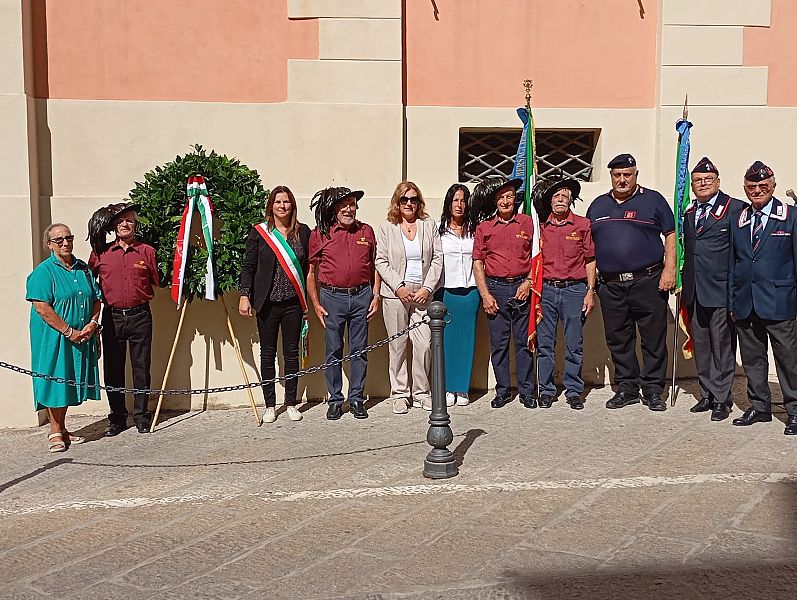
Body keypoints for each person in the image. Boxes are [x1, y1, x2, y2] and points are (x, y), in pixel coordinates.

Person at [587, 153, 676, 411]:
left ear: (636, 175)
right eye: (617, 175)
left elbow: (671, 235)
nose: (622, 179)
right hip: (611, 285)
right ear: (611, 176)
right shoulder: (598, 206)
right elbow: (589, 247)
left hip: (648, 281)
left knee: (653, 338)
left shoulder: (654, 200)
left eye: (627, 174)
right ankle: (627, 387)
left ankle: (653, 389)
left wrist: (669, 270)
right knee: (618, 339)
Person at [728, 161, 797, 436]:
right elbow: (733, 263)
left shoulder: (790, 216)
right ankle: (759, 406)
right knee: (753, 359)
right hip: (746, 301)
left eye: (763, 185)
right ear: (745, 188)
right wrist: (732, 300)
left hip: (780, 301)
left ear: (773, 186)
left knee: (788, 360)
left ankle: (795, 410)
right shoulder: (739, 219)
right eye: (752, 186)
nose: (757, 190)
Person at [307, 187, 381, 421]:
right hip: (332, 298)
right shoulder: (321, 234)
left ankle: (357, 399)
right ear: (334, 209)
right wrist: (316, 303)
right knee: (333, 351)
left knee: (359, 351)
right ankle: (336, 400)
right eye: (344, 205)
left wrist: (376, 295)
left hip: (362, 296)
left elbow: (375, 266)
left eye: (352, 204)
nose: (349, 209)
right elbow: (311, 272)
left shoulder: (366, 231)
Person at [26, 224, 102, 452]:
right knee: (54, 381)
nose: (65, 243)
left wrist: (93, 323)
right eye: (59, 240)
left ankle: (62, 428)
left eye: (68, 238)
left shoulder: (83, 269)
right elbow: (42, 307)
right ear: (49, 245)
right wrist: (69, 331)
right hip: (54, 337)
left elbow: (96, 298)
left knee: (68, 380)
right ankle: (54, 431)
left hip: (81, 336)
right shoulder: (44, 272)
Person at [239, 186, 311, 424]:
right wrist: (245, 295)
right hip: (267, 303)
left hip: (293, 302)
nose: (282, 206)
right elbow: (249, 266)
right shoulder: (259, 232)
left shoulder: (303, 232)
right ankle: (270, 404)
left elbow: (309, 267)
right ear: (271, 206)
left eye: (286, 202)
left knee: (291, 354)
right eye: (278, 202)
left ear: (292, 205)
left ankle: (291, 403)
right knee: (268, 354)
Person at [682, 157, 745, 421]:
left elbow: (741, 251)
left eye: (708, 179)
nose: (703, 184)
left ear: (718, 182)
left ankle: (722, 399)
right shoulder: (690, 212)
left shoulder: (735, 208)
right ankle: (707, 394)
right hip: (695, 289)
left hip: (721, 290)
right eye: (697, 180)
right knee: (702, 345)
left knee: (722, 347)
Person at [88, 202, 159, 435]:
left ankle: (141, 416)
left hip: (141, 315)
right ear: (113, 226)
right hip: (112, 317)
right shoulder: (101, 253)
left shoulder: (147, 252)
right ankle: (117, 418)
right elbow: (89, 284)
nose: (125, 224)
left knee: (141, 368)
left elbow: (157, 281)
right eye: (120, 221)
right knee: (113, 369)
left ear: (135, 225)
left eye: (129, 220)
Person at [376, 181, 443, 414]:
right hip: (396, 294)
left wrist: (428, 288)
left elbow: (437, 258)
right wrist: (398, 287)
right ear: (397, 202)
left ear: (419, 202)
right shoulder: (387, 228)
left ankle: (422, 392)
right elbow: (381, 261)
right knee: (398, 345)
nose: (409, 203)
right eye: (404, 199)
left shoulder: (428, 225)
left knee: (424, 344)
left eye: (413, 199)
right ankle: (400, 394)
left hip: (422, 294)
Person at [472, 176, 537, 409]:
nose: (506, 201)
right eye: (501, 197)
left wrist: (528, 282)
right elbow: (478, 262)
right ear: (495, 201)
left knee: (523, 343)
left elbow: (536, 256)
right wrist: (485, 295)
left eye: (509, 196)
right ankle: (502, 390)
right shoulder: (484, 227)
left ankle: (527, 391)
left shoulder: (527, 223)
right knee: (499, 345)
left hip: (521, 288)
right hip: (496, 289)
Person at [533, 175, 596, 410]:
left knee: (573, 344)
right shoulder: (540, 229)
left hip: (574, 291)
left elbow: (590, 259)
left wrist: (590, 291)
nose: (560, 199)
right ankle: (546, 390)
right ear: (550, 201)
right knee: (545, 344)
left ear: (570, 200)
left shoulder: (582, 225)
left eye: (564, 196)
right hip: (547, 291)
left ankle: (573, 391)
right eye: (556, 196)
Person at [436, 183, 479, 407]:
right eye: (455, 200)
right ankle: (447, 387)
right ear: (449, 203)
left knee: (467, 340)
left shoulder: (475, 229)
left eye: (463, 200)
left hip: (471, 291)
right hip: (447, 291)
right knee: (447, 341)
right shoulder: (438, 230)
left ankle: (462, 388)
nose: (459, 205)